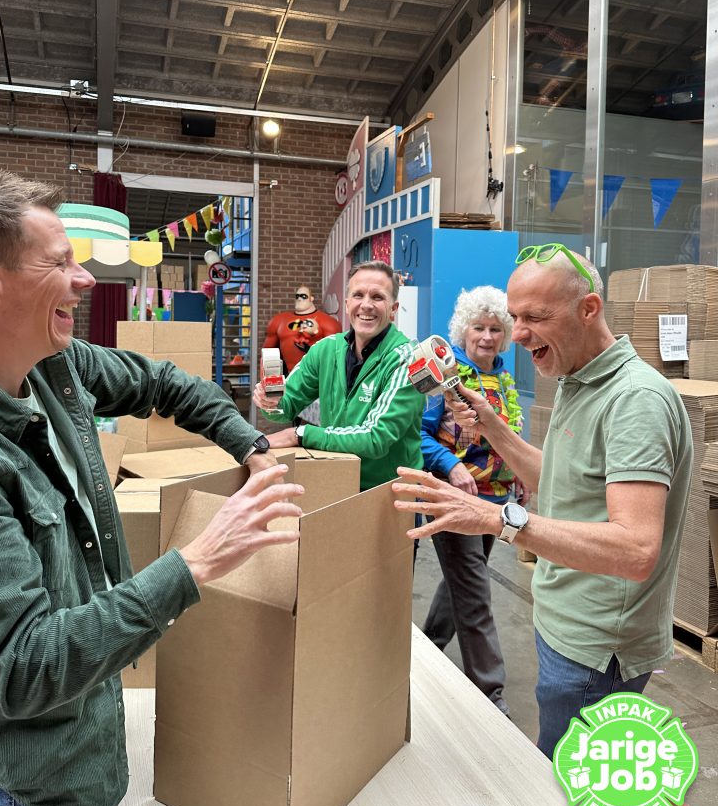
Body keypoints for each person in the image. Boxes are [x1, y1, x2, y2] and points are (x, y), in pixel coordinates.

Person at [0, 170, 304, 806]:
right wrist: (195, 563)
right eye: (60, 263)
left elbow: (163, 383)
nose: (84, 280)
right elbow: (19, 669)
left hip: (89, 717)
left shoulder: (54, 367)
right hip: (50, 777)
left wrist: (252, 447)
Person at [394, 244, 692, 757]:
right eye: (514, 318)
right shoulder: (579, 379)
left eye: (534, 317)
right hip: (563, 624)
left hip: (596, 648)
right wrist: (491, 425)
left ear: (589, 309)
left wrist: (499, 519)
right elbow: (554, 477)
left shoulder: (634, 401)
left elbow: (636, 549)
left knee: (568, 789)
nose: (516, 334)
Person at [421, 286, 527, 716]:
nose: (486, 336)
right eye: (478, 328)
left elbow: (508, 436)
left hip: (494, 499)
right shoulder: (445, 377)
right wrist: (451, 465)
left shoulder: (503, 378)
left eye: (495, 329)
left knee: (462, 582)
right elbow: (419, 435)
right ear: (463, 331)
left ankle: (425, 650)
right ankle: (490, 691)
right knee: (475, 589)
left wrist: (519, 473)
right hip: (452, 497)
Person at [254, 261, 423, 492]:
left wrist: (300, 434)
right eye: (358, 295)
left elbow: (376, 438)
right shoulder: (324, 350)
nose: (366, 305)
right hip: (337, 480)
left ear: (393, 309)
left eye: (377, 297)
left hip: (391, 492)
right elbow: (286, 407)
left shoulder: (409, 360)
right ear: (347, 304)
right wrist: (271, 402)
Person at [262, 283, 341, 375]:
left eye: (303, 296)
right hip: (289, 376)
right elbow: (267, 354)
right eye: (297, 296)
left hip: (316, 376)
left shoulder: (328, 322)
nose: (299, 299)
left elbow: (335, 356)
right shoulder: (279, 320)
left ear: (311, 298)